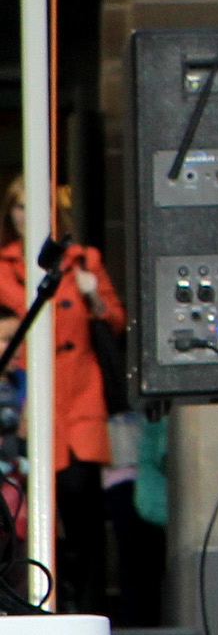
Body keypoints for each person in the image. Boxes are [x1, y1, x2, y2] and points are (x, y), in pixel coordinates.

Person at [0, 176, 126, 612]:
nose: (26, 215)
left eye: (33, 206)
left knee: (83, 509)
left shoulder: (83, 260)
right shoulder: (3, 265)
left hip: (80, 400)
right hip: (30, 403)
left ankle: (86, 605)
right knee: (30, 513)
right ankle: (41, 603)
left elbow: (115, 320)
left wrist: (94, 299)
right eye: (18, 207)